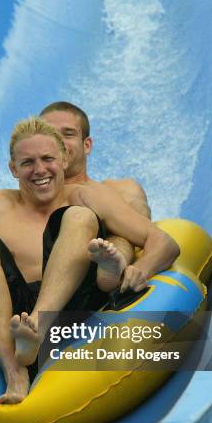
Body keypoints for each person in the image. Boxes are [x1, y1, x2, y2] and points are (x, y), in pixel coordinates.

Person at [0, 117, 179, 404]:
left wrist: (141, 269)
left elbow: (163, 243)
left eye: (47, 159)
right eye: (28, 162)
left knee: (80, 216)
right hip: (7, 321)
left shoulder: (86, 196)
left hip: (70, 311)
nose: (39, 169)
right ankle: (14, 370)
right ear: (13, 169)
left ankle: (38, 330)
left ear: (65, 159)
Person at [40, 101, 150, 289]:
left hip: (101, 284)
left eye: (67, 134)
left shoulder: (119, 190)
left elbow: (160, 241)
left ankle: (114, 268)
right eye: (49, 135)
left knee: (131, 207)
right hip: (43, 291)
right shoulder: (26, 202)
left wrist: (141, 269)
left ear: (87, 145)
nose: (58, 142)